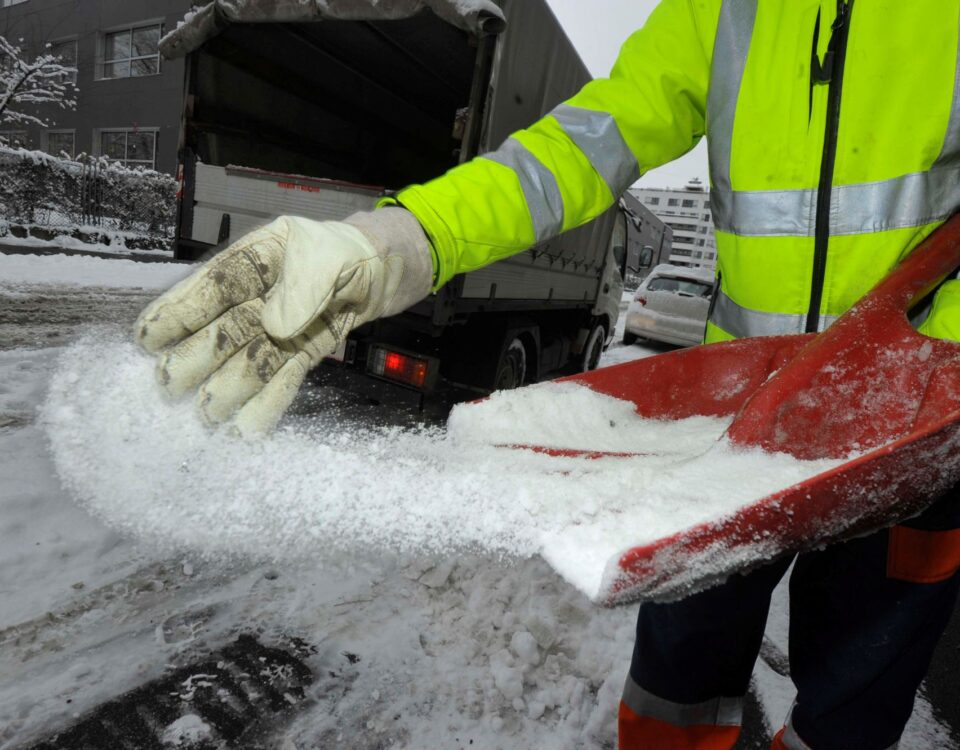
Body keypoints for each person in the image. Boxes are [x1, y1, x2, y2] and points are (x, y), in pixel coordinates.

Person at [136, 0, 960, 747]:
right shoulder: (726, 10)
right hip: (737, 430)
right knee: (678, 677)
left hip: (923, 424)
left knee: (855, 700)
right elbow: (577, 148)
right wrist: (401, 239)